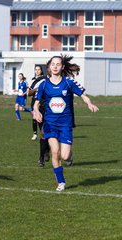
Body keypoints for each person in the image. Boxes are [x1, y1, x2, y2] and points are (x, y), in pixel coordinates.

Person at [33, 54, 99, 192]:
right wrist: (36, 111)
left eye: (58, 64)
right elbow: (36, 103)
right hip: (50, 123)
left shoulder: (69, 82)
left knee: (64, 155)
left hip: (65, 124)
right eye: (53, 64)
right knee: (55, 152)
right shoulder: (44, 84)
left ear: (62, 67)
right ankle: (61, 182)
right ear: (49, 67)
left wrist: (89, 103)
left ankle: (70, 156)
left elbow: (83, 96)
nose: (55, 67)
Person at [28, 65, 50, 167]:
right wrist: (36, 89)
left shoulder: (52, 80)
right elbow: (29, 93)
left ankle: (42, 157)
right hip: (39, 108)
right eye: (35, 69)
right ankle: (44, 153)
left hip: (50, 109)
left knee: (45, 133)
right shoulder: (37, 81)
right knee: (43, 133)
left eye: (38, 69)